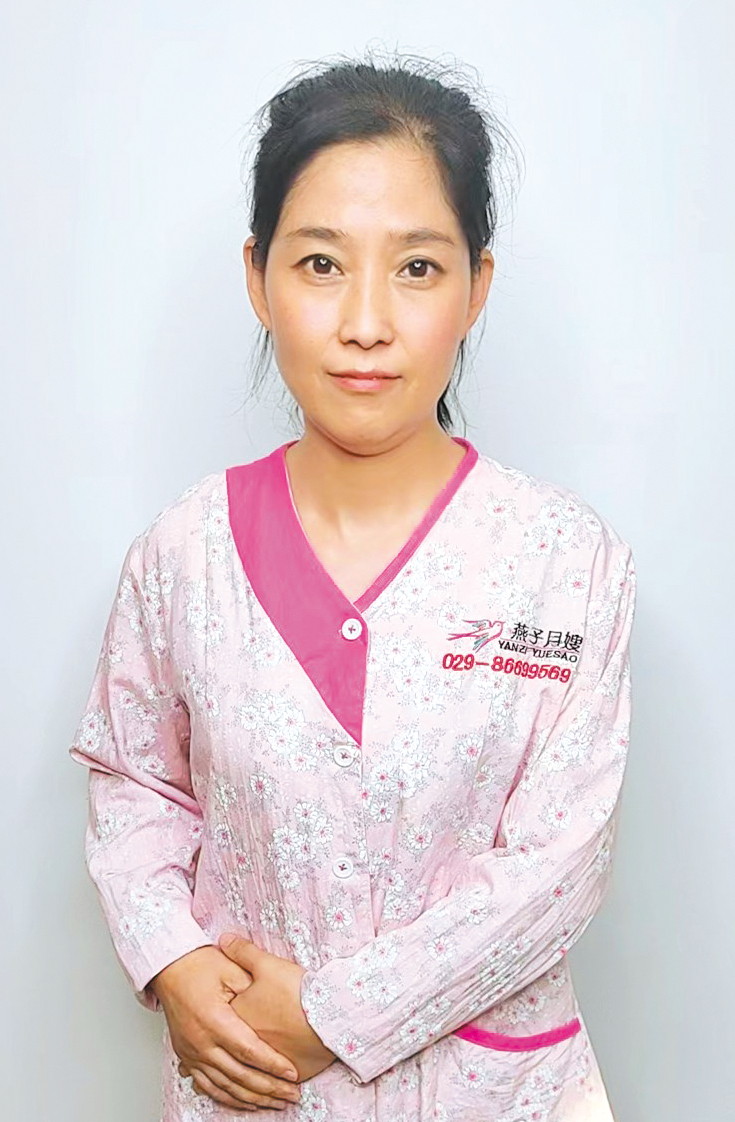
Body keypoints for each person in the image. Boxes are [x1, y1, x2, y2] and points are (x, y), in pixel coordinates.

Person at [69, 50, 637, 1122]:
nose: (366, 321)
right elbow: (137, 784)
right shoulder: (183, 555)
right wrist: (172, 961)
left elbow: (560, 861)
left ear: (475, 287)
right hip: (253, 1088)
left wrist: (333, 1012)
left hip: (495, 1091)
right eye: (321, 263)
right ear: (258, 277)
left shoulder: (568, 561)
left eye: (417, 268)